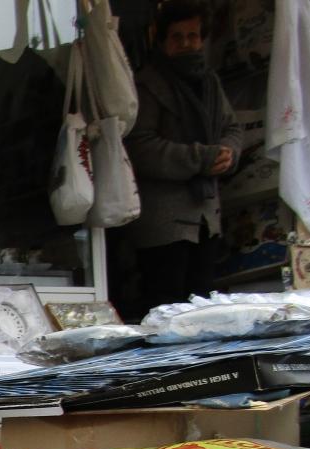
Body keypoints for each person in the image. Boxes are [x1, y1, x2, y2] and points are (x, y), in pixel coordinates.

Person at [125, 0, 242, 319]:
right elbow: (140, 146)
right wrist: (201, 158)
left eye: (193, 36)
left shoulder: (210, 83)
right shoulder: (147, 85)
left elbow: (232, 128)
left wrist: (228, 153)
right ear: (163, 41)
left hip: (206, 218)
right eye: (177, 37)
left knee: (203, 309)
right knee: (166, 309)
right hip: (164, 224)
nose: (187, 44)